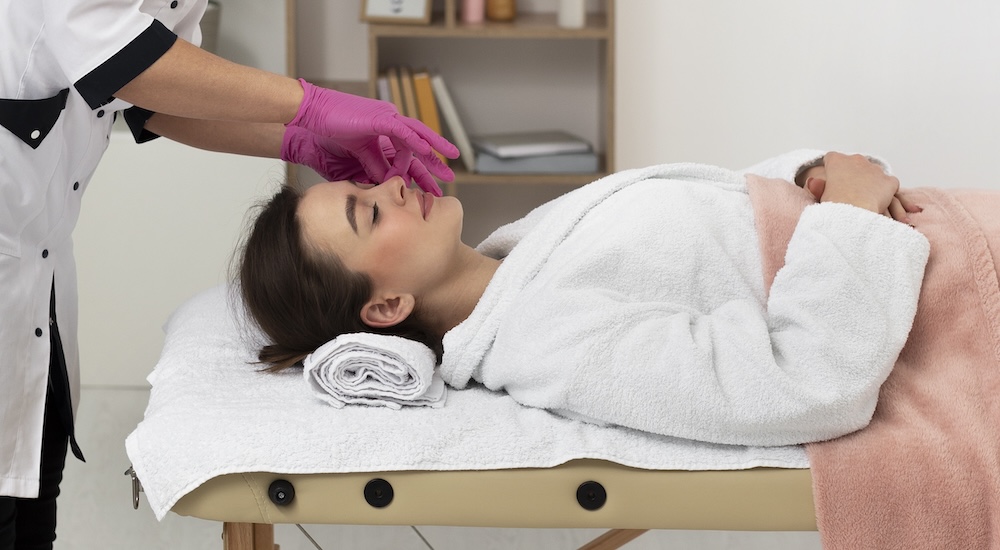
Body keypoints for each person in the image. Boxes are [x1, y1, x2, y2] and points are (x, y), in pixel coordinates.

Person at [0, 0, 457, 547]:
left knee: (31, 494)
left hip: (33, 244)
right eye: (364, 211)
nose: (391, 194)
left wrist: (297, 140)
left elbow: (152, 93)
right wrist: (308, 105)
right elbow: (106, 48)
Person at [236, 150, 933, 449]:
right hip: (942, 299)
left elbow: (713, 231)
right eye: (368, 214)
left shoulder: (519, 253)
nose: (392, 186)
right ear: (385, 308)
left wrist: (808, 175)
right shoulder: (545, 341)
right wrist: (850, 211)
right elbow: (802, 385)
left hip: (915, 232)